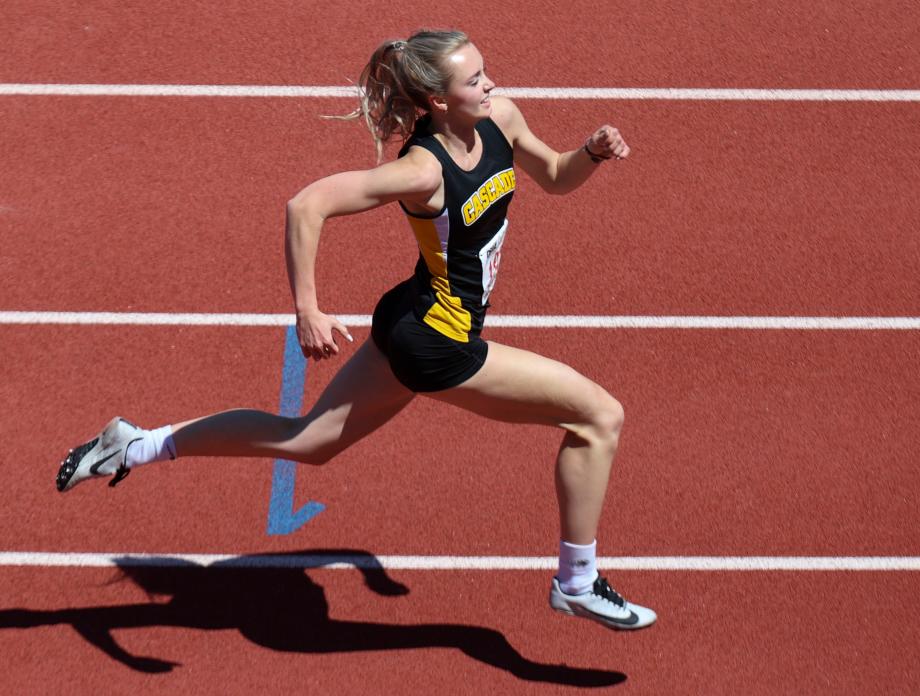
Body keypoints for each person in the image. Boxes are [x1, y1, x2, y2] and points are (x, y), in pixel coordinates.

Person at [56, 29, 656, 631]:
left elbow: (553, 174)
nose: (490, 84)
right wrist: (308, 309)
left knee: (307, 443)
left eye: (485, 73)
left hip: (409, 314)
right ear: (438, 101)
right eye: (474, 80)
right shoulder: (422, 171)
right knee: (597, 416)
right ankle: (577, 581)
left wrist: (592, 154)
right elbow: (306, 205)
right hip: (438, 346)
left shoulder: (501, 118)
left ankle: (131, 444)